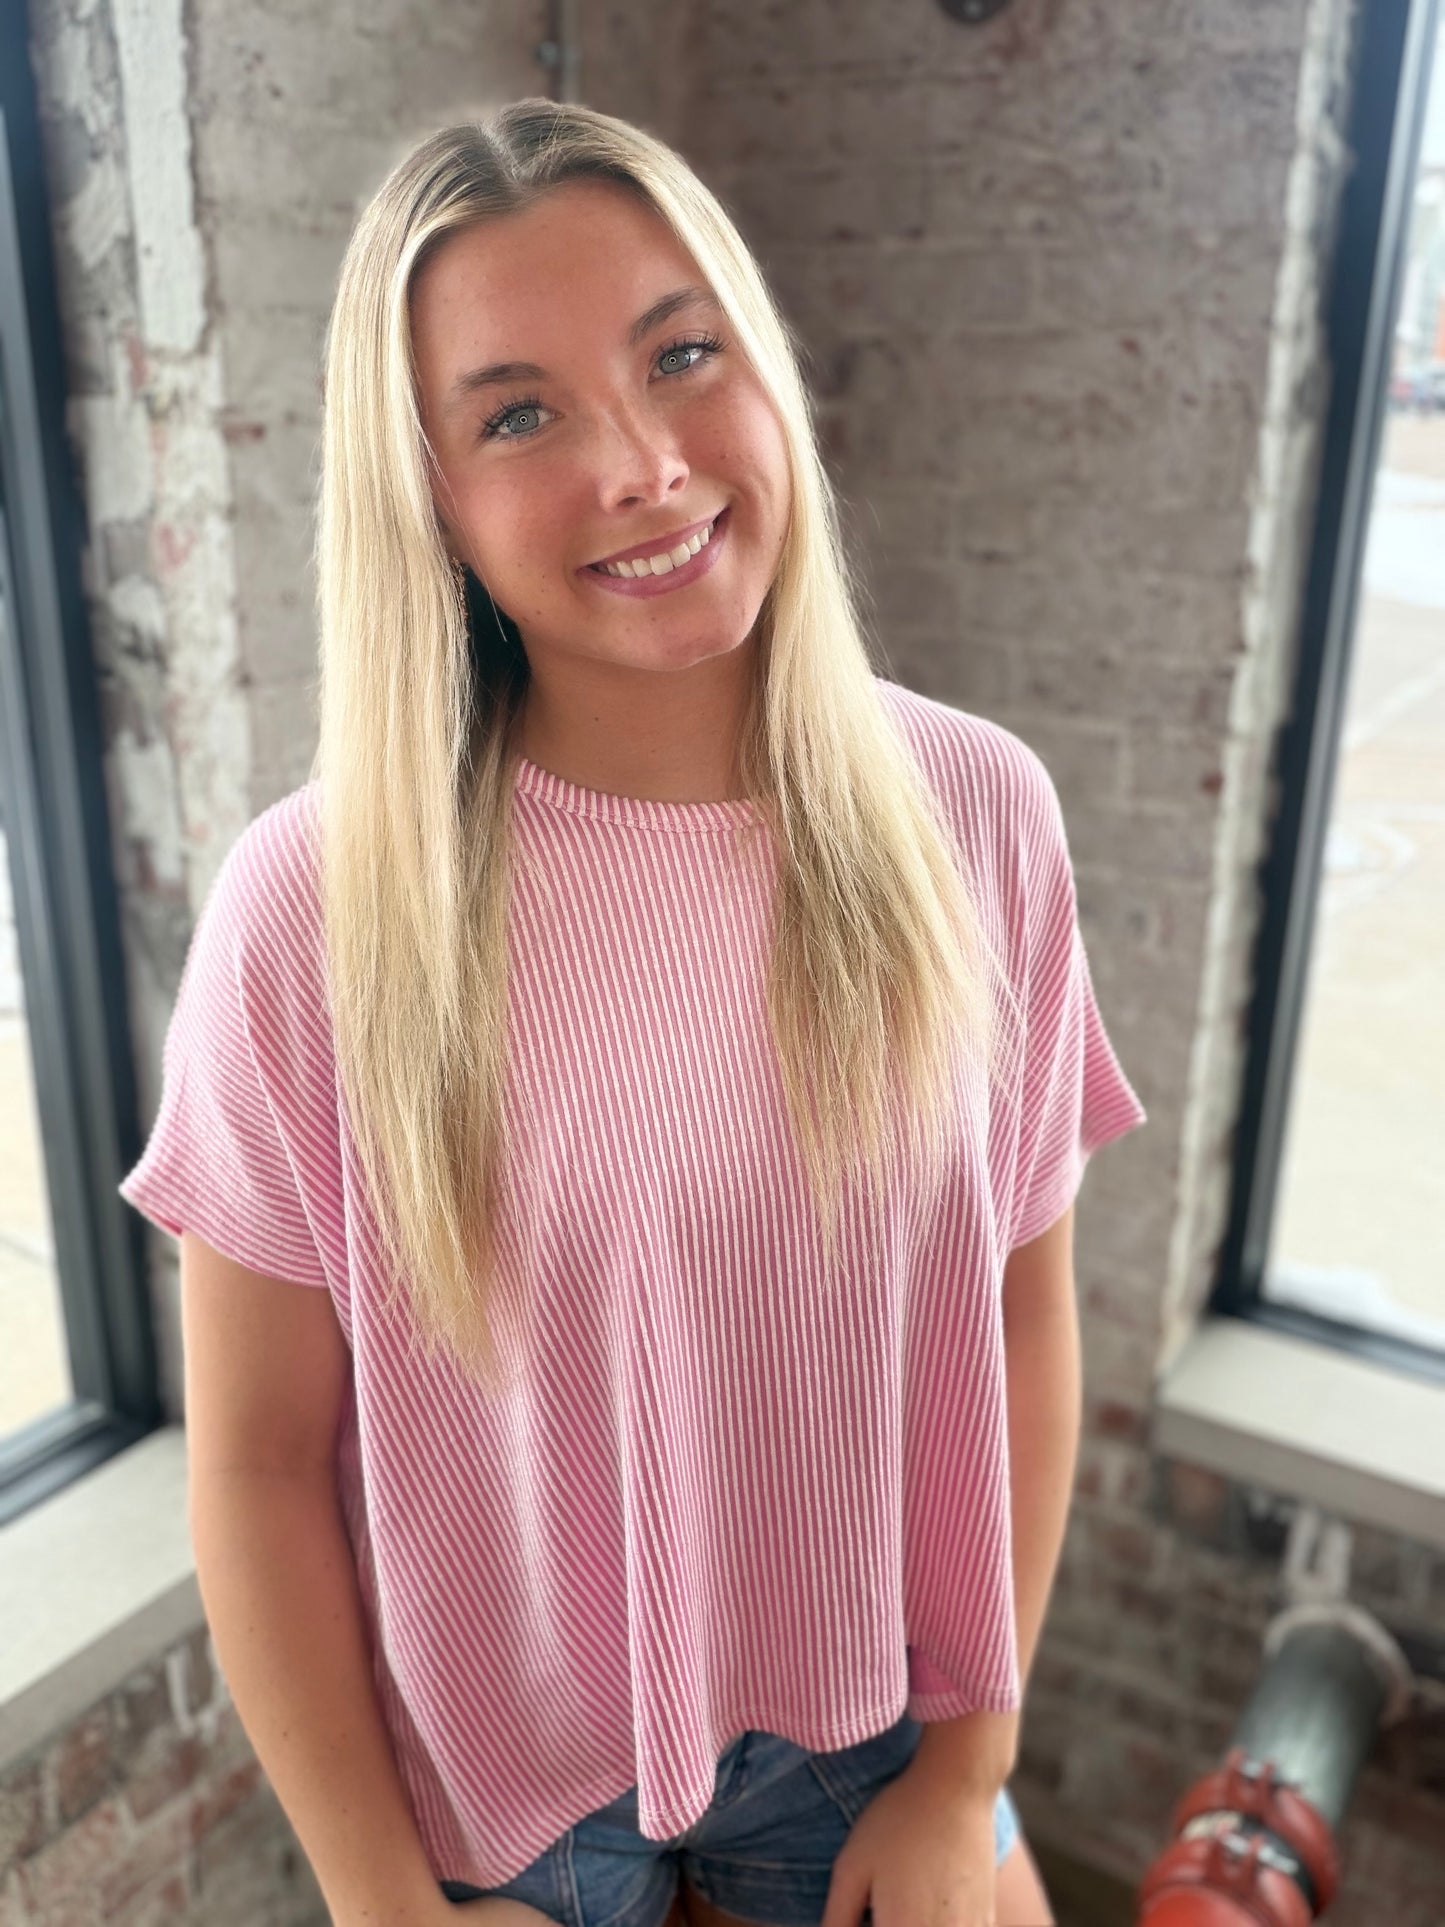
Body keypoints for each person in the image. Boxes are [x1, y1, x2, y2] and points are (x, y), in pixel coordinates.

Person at [118, 99, 1147, 1927]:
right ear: (425, 495)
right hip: (493, 1797)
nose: (648, 466)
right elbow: (261, 1466)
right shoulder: (315, 910)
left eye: (681, 355)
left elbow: (1020, 1321)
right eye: (519, 412)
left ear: (761, 369)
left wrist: (973, 1770)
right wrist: (379, 1907)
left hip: (877, 1739)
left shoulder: (977, 816)